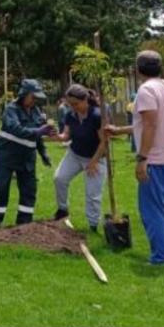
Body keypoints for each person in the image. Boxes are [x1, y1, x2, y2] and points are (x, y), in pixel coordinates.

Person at [105, 50, 164, 265]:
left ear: (138, 69)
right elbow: (147, 124)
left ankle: (159, 257)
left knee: (152, 210)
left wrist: (142, 158)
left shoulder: (145, 91)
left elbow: (151, 126)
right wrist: (118, 130)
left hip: (156, 160)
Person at [0, 79, 55, 226]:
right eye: (33, 97)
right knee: (1, 187)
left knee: (29, 189)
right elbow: (16, 129)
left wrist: (43, 153)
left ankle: (25, 223)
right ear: (24, 95)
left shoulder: (36, 111)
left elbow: (36, 136)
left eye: (37, 98)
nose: (35, 100)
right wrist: (39, 130)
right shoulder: (11, 109)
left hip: (27, 157)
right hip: (6, 155)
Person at [50, 84, 107, 232]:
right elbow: (66, 136)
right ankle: (62, 210)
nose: (73, 107)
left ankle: (93, 225)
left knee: (92, 194)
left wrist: (94, 162)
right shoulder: (70, 115)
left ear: (85, 100)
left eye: (76, 104)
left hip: (96, 157)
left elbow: (104, 142)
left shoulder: (96, 115)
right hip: (75, 155)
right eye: (70, 104)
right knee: (59, 178)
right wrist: (57, 136)